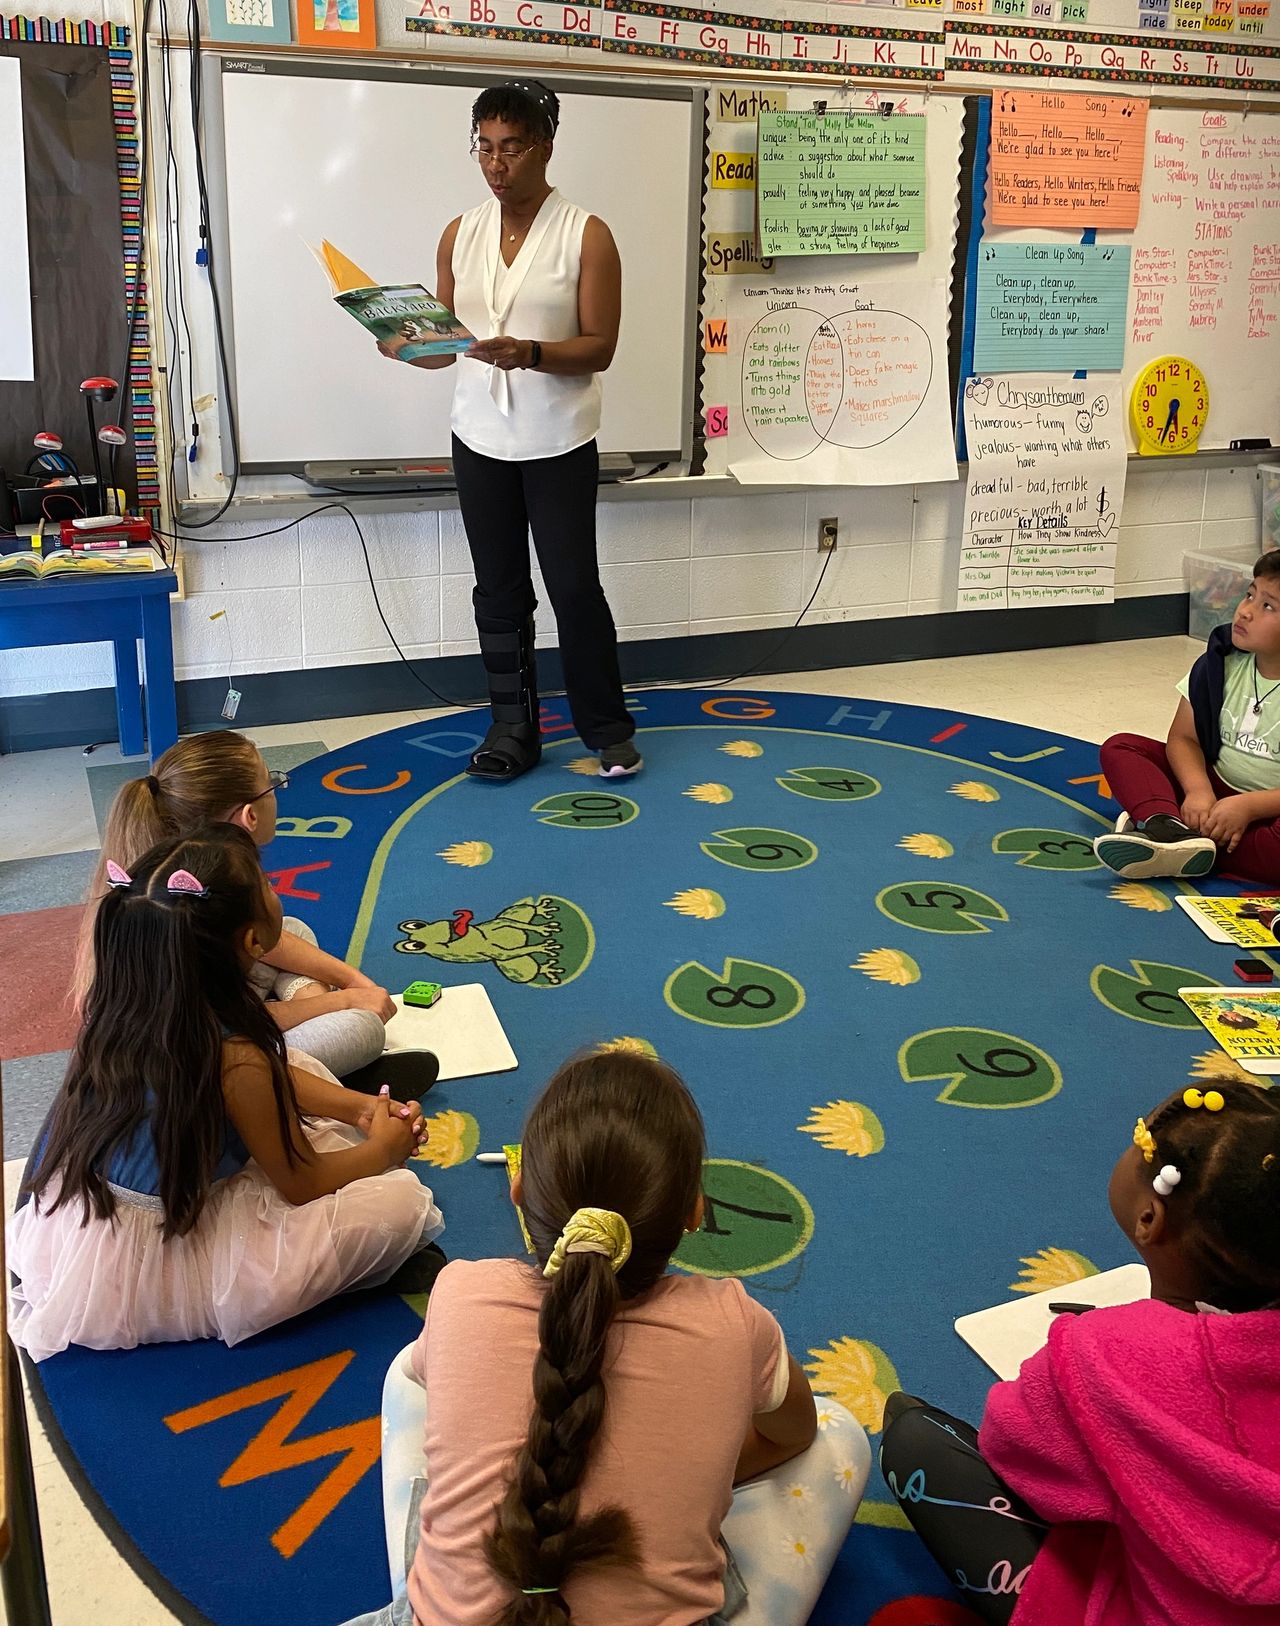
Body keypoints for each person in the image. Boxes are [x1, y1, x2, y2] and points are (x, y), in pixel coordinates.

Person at [341, 1049, 870, 1626]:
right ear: (694, 1210)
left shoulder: (460, 1294)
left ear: (517, 1191)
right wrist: (692, 1479)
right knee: (840, 1434)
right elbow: (794, 1434)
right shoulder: (736, 1325)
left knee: (409, 1372)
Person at [10, 827, 444, 1362]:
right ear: (253, 944)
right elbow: (301, 1183)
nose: (275, 886)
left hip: (85, 1216)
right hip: (147, 1263)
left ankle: (351, 1137)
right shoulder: (237, 1053)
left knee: (296, 1062)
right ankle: (353, 1267)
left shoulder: (131, 1002)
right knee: (398, 1204)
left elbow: (273, 1078)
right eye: (267, 882)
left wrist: (356, 1108)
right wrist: (384, 1150)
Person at [880, 1079, 1280, 1625]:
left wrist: (1098, 1358)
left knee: (914, 1436)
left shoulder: (1104, 1353)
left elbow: (1013, 1448)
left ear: (1150, 1218)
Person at [379, 80, 640, 785]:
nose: (495, 165)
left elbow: (600, 346)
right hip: (479, 436)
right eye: (484, 149)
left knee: (573, 586)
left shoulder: (586, 233)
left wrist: (531, 352)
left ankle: (607, 729)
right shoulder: (458, 232)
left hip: (558, 440)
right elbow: (441, 342)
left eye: (511, 148)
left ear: (544, 148)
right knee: (497, 590)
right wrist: (400, 341)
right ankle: (512, 730)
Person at [77, 729, 422, 1087]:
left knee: (293, 930)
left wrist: (353, 983)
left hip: (221, 1022)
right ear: (248, 816)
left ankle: (322, 1061)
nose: (277, 792)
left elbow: (274, 942)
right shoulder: (182, 917)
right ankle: (310, 1081)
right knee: (361, 1028)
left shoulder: (187, 878)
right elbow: (234, 1023)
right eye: (272, 785)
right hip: (206, 1067)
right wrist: (342, 1003)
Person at [1094, 550, 1280, 882]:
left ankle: (1179, 840)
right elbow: (1183, 738)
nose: (1246, 611)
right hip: (1212, 789)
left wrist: (1248, 807)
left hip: (1268, 811)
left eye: (1268, 606)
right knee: (1122, 747)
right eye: (1250, 594)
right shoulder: (1220, 663)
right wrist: (1198, 791)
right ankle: (1167, 824)